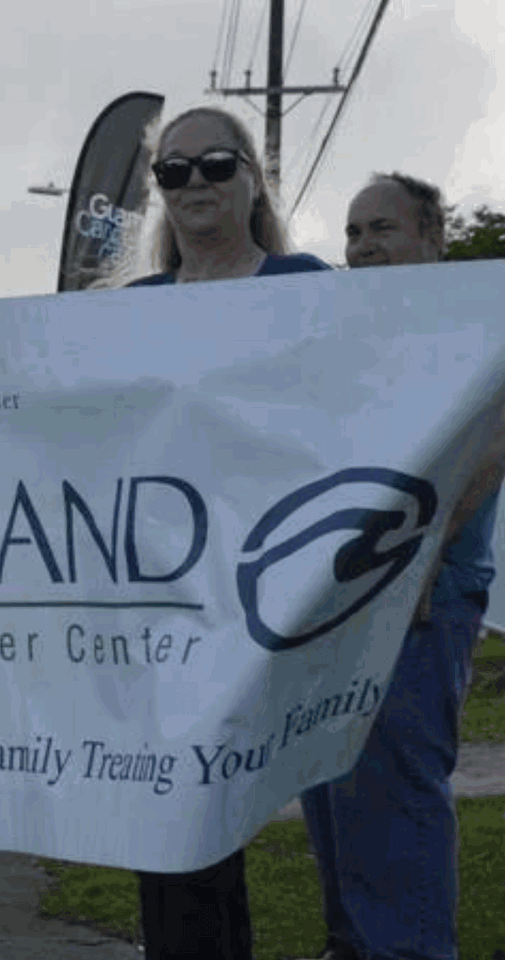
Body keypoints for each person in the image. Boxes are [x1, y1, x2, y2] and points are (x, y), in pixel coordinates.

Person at [300, 172, 505, 960]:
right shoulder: (356, 332)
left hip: (422, 599)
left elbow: (495, 442)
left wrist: (420, 561)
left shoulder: (470, 322)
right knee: (332, 790)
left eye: (382, 229)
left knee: (393, 795)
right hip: (344, 601)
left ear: (433, 241)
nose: (363, 247)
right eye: (352, 234)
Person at [123, 106, 332, 959]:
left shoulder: (306, 283)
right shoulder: (127, 310)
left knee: (228, 803)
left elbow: (399, 375)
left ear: (252, 176)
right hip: (153, 599)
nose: (195, 183)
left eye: (214, 164)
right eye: (174, 172)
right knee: (170, 816)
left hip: (272, 587)